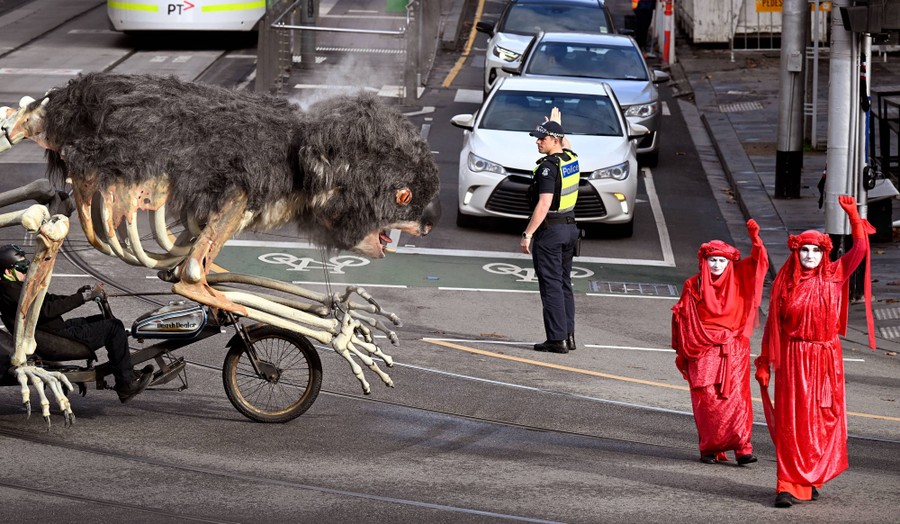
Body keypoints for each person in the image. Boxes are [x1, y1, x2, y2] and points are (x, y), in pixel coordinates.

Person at [756, 195, 876, 508]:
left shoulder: (835, 274)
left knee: (820, 422)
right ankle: (786, 485)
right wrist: (765, 362)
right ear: (796, 252)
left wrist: (853, 216)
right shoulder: (785, 284)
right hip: (793, 360)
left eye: (816, 250)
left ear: (825, 253)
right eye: (804, 250)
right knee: (791, 424)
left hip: (825, 361)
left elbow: (860, 250)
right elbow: (772, 328)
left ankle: (809, 478)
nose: (810, 255)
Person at [0, 244, 152, 403]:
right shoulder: (10, 291)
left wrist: (79, 295)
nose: (27, 270)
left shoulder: (14, 286)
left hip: (55, 331)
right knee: (114, 328)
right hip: (56, 339)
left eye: (27, 265)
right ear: (8, 272)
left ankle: (126, 371)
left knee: (107, 322)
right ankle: (126, 384)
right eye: (22, 267)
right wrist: (83, 298)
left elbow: (49, 299)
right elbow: (46, 310)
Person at [671, 219, 768, 465]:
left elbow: (759, 264)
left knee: (736, 399)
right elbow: (684, 319)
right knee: (706, 400)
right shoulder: (693, 284)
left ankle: (743, 448)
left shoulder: (739, 278)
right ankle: (709, 448)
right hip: (702, 349)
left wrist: (756, 240)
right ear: (704, 261)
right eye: (712, 260)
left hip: (733, 348)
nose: (716, 265)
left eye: (722, 260)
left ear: (730, 262)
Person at [520, 111, 580, 354]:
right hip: (570, 229)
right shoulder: (570, 158)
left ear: (554, 140)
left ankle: (557, 340)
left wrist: (528, 234)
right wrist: (556, 126)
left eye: (542, 138)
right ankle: (568, 336)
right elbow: (567, 144)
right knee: (564, 283)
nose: (537, 141)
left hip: (551, 231)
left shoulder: (548, 167)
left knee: (551, 286)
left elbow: (544, 204)